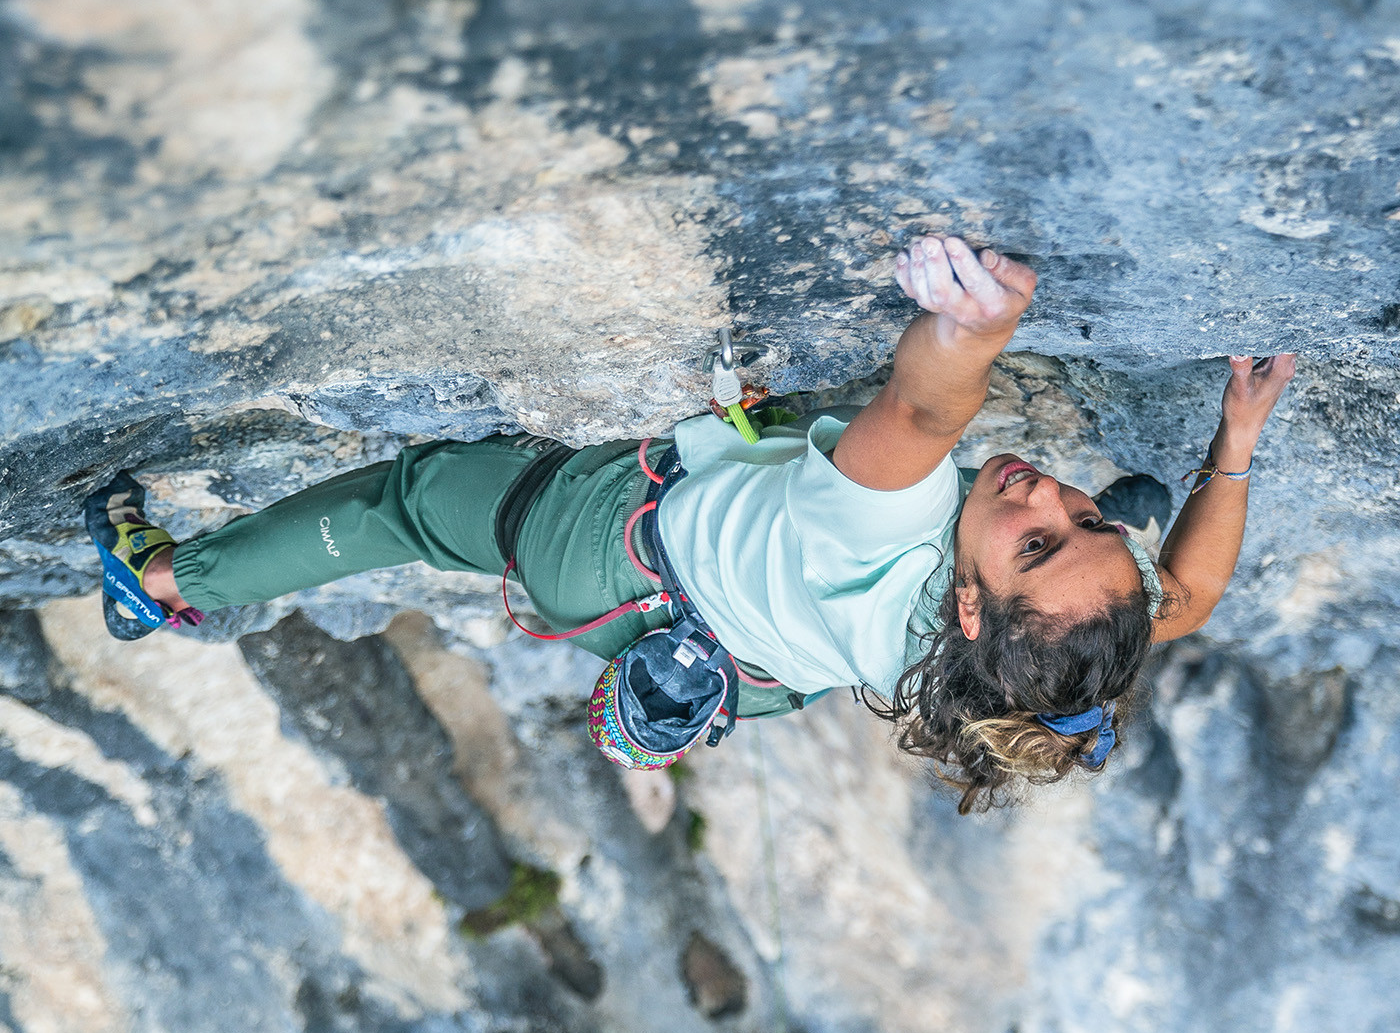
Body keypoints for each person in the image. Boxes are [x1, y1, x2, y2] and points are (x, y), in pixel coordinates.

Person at [84, 235, 1295, 810]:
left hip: (608, 553)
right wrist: (1229, 449)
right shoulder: (1013, 667)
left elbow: (924, 408)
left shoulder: (879, 529)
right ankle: (643, 694)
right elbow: (1186, 600)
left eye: (1035, 534)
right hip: (743, 667)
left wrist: (972, 327)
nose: (1045, 491)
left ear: (969, 604)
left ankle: (173, 581)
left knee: (422, 498)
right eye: (1090, 517)